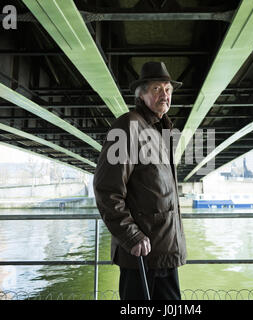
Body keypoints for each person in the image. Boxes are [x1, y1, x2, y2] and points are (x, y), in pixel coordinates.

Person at [93, 61, 187, 300]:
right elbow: (106, 188)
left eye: (167, 89)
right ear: (142, 94)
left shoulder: (159, 130)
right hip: (143, 255)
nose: (164, 95)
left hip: (163, 251)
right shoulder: (129, 125)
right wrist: (131, 235)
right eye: (156, 89)